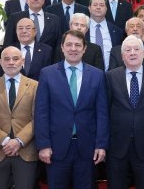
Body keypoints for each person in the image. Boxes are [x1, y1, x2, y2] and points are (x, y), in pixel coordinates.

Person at [35, 30, 109, 188]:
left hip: (87, 149)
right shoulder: (47, 74)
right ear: (62, 47)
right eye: (69, 44)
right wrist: (43, 145)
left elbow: (102, 113)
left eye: (77, 45)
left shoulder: (97, 75)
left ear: (84, 48)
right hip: (56, 148)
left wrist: (101, 144)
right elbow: (41, 113)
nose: (73, 49)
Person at [106, 35, 144, 189]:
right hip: (116, 146)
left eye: (136, 49)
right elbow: (104, 111)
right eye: (128, 50)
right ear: (122, 55)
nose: (132, 53)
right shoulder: (110, 76)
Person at [0, 46, 39, 188]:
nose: (11, 62)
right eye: (6, 59)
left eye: (15, 58)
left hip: (25, 152)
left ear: (22, 61)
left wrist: (18, 141)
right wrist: (5, 141)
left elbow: (37, 118)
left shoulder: (35, 86)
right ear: (0, 62)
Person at [86, 0, 123, 71]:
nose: (98, 7)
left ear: (106, 8)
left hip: (111, 74)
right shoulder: (83, 29)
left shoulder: (117, 31)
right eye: (95, 5)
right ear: (89, 8)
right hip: (88, 73)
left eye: (102, 5)